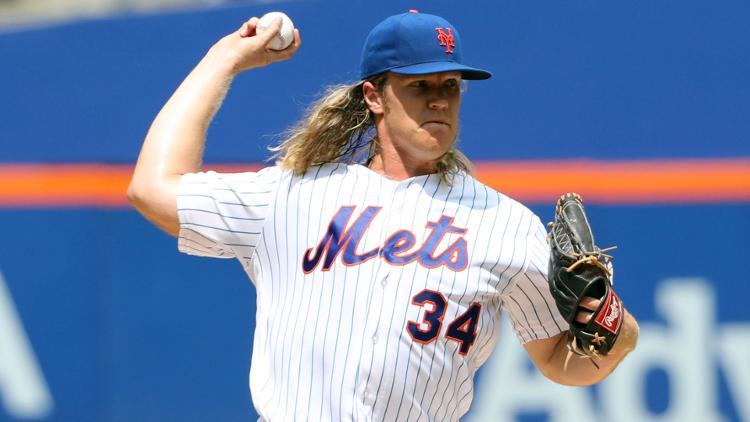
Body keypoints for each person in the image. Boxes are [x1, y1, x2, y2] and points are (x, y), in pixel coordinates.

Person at [128, 10, 639, 421]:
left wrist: (620, 334)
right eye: (419, 86)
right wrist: (222, 60)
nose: (439, 99)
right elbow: (152, 189)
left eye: (451, 85)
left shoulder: (504, 223)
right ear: (374, 95)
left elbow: (561, 362)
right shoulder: (292, 195)